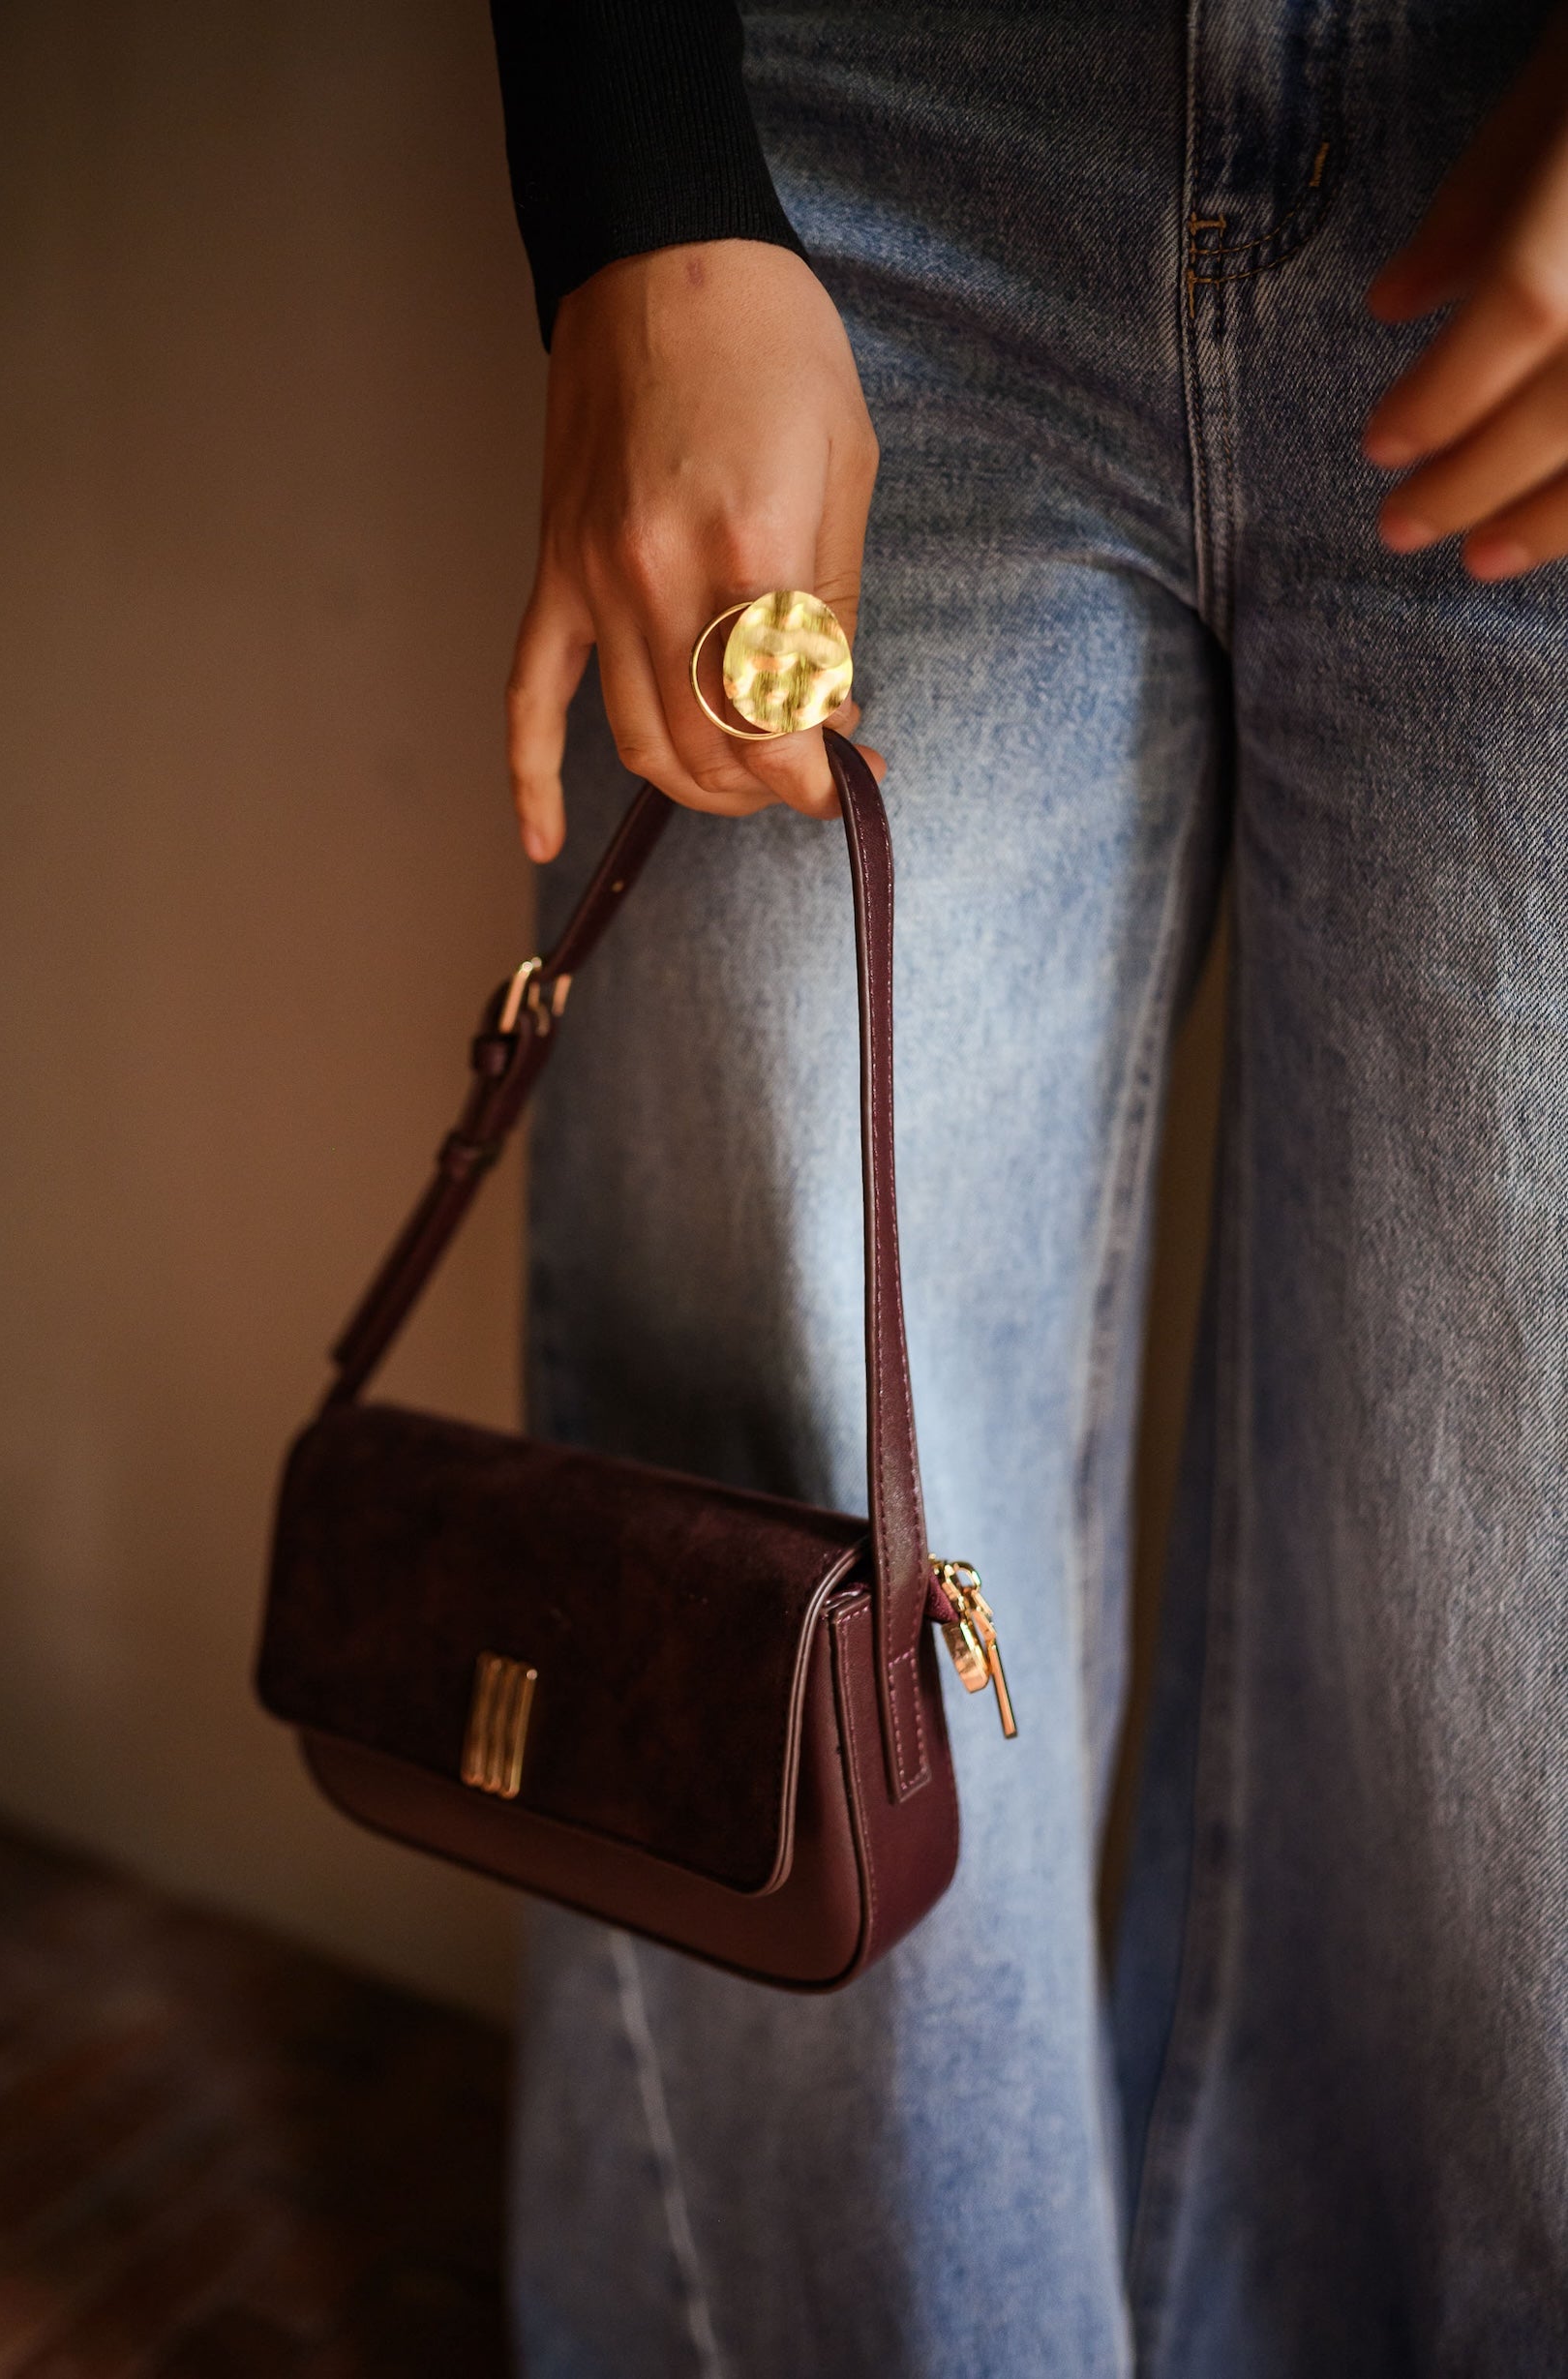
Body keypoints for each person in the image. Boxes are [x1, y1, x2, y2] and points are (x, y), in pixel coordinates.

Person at [490, 4, 1568, 2372]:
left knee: (1515, 1714)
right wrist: (635, 170)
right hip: (861, 149)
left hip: (1524, 172)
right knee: (773, 1562)